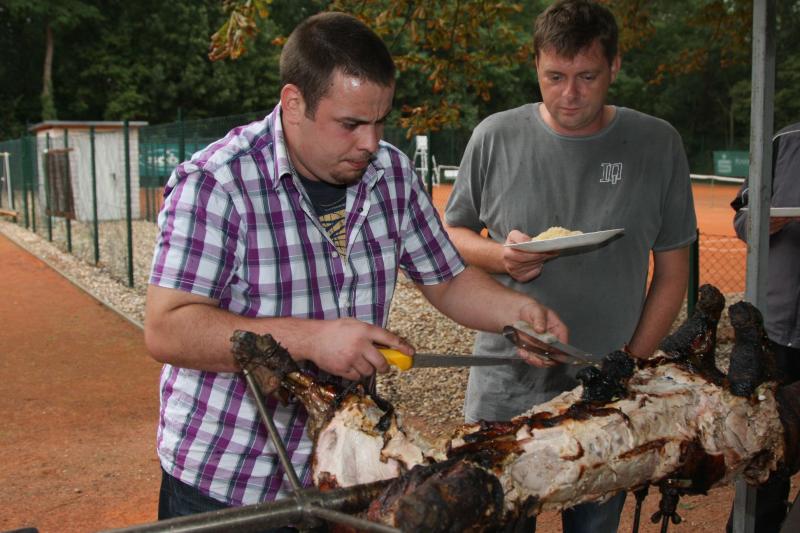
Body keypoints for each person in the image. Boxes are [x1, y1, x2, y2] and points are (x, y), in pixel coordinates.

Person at [144, 11, 567, 523]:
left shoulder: (391, 173)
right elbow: (167, 328)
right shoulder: (217, 183)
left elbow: (449, 279)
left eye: (380, 121)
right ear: (294, 103)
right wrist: (312, 340)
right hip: (230, 482)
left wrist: (516, 312)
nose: (370, 142)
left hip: (345, 475)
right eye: (350, 124)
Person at [443, 1, 697, 532]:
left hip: (606, 393)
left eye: (587, 77)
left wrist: (629, 364)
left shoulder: (658, 144)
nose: (569, 94)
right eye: (554, 77)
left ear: (615, 66)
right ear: (535, 64)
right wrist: (501, 256)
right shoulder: (495, 136)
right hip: (504, 389)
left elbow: (673, 273)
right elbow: (451, 235)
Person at [727, 121, 800, 532]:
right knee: (764, 457)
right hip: (774, 333)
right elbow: (743, 219)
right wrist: (759, 223)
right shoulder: (784, 142)